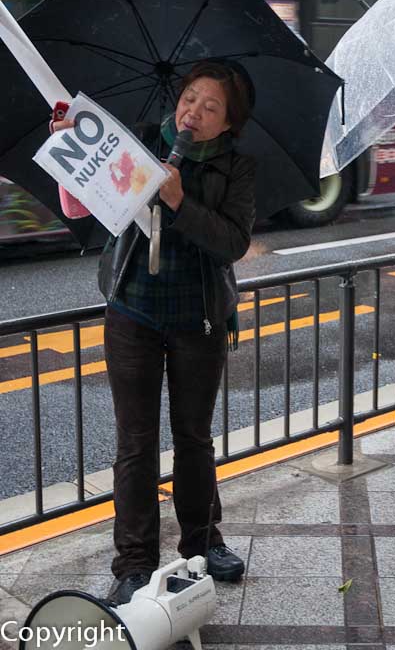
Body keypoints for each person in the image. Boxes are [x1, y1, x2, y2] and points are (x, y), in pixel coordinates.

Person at [54, 60, 256, 603]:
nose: (194, 112)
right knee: (135, 444)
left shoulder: (237, 169)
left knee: (193, 439)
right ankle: (134, 561)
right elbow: (84, 207)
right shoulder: (141, 141)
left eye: (211, 107)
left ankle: (202, 543)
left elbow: (233, 242)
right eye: (191, 98)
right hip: (133, 314)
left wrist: (178, 202)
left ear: (229, 124)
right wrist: (71, 155)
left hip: (200, 319)